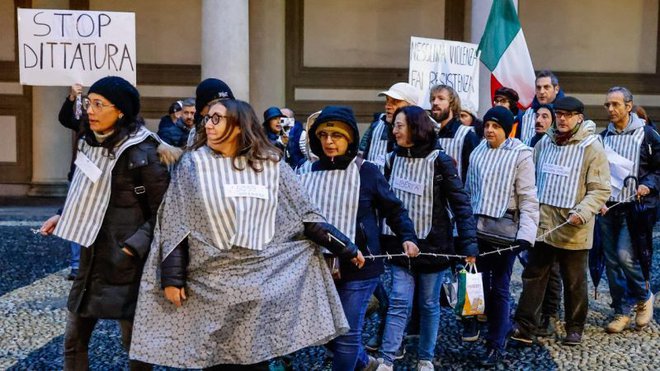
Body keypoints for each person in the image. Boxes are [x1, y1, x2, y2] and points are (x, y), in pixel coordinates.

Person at [129, 99, 366, 370]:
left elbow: (307, 218)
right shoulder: (193, 166)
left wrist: (346, 248)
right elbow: (175, 225)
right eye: (207, 118)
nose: (208, 124)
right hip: (210, 287)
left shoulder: (272, 165)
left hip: (259, 285)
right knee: (214, 360)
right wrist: (171, 279)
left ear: (240, 126)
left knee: (255, 361)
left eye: (217, 119)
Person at [39, 76, 170, 370]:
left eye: (99, 104)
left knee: (134, 345)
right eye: (89, 103)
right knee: (73, 342)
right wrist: (64, 214)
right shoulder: (89, 143)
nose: (90, 110)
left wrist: (132, 248)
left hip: (127, 263)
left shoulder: (145, 151)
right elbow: (85, 190)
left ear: (121, 111)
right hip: (91, 257)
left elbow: (165, 212)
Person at [299, 105, 419, 371]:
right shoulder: (304, 172)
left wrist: (407, 237)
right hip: (317, 266)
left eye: (337, 135)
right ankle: (365, 363)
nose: (329, 141)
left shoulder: (368, 171)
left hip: (361, 264)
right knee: (321, 330)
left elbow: (394, 209)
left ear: (350, 138)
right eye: (324, 135)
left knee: (348, 333)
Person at [375, 106, 478, 371]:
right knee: (398, 301)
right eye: (395, 125)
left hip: (433, 245)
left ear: (415, 128)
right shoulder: (391, 159)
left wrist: (468, 244)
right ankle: (386, 359)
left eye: (400, 125)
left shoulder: (440, 161)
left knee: (430, 303)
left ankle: (425, 357)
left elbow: (461, 205)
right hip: (398, 243)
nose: (394, 130)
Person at [510, 96, 611, 346]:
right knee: (534, 276)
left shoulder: (591, 147)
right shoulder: (545, 143)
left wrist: (583, 212)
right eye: (559, 114)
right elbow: (531, 179)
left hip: (574, 227)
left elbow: (600, 189)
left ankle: (574, 327)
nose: (562, 119)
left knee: (575, 282)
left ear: (579, 118)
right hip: (544, 224)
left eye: (568, 115)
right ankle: (525, 326)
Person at [464, 106, 539, 366]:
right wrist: (462, 230)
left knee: (500, 288)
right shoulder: (477, 153)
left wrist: (526, 235)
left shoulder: (521, 155)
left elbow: (528, 197)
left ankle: (496, 343)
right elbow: (467, 193)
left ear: (507, 130)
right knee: (478, 286)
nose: (489, 130)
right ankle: (490, 326)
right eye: (487, 125)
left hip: (505, 232)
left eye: (496, 126)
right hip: (478, 230)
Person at [599, 86, 659, 333]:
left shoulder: (647, 135)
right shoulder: (603, 137)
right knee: (612, 262)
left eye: (615, 104)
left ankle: (643, 296)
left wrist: (648, 184)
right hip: (607, 207)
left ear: (628, 106)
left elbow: (658, 169)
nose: (611, 109)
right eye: (607, 105)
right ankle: (620, 311)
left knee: (625, 256)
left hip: (634, 208)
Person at [523, 104, 563, 337]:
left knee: (554, 267)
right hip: (533, 212)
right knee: (535, 265)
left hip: (553, 215)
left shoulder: (556, 145)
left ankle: (550, 313)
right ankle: (533, 312)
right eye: (537, 115)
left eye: (545, 116)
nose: (539, 119)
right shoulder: (531, 143)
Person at [359, 82, 420, 172]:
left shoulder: (422, 132)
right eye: (387, 100)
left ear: (411, 106)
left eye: (395, 102)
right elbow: (362, 154)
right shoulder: (376, 124)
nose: (388, 106)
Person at [429, 84, 480, 183]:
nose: (435, 102)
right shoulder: (430, 134)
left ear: (452, 104)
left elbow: (475, 175)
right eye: (433, 99)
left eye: (441, 98)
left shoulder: (467, 135)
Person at [518, 70, 565, 145]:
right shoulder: (524, 115)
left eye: (546, 87)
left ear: (556, 89)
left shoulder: (568, 114)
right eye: (538, 88)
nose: (541, 91)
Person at [187, 78, 236, 147]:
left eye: (227, 103)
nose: (222, 108)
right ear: (202, 111)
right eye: (214, 104)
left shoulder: (242, 128)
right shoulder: (195, 134)